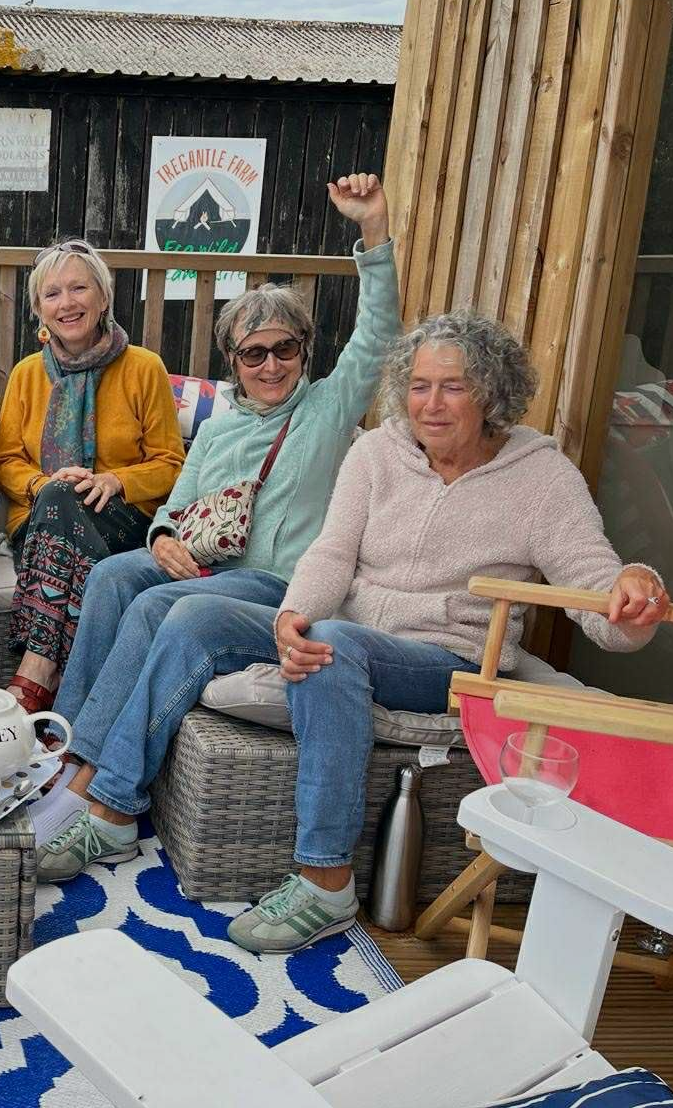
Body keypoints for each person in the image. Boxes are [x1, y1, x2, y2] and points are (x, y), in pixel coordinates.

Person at [32, 312, 671, 957]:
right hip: (352, 627)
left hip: (450, 659)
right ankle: (112, 811)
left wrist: (631, 597)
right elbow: (333, 553)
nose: (431, 404)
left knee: (331, 650)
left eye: (452, 387)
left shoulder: (540, 477)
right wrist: (291, 616)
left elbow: (597, 585)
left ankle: (325, 881)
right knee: (189, 614)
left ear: (492, 393)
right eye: (419, 386)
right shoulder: (377, 451)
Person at [29, 174, 399, 845]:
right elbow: (174, 503)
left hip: (276, 587)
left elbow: (377, 333)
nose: (270, 365)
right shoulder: (223, 425)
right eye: (253, 352)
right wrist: (165, 533)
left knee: (148, 605)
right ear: (233, 359)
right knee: (116, 575)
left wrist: (371, 228)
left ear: (304, 351)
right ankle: (67, 744)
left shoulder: (326, 408)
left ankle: (87, 780)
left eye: (285, 348)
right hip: (207, 572)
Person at [0, 239, 184, 712]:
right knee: (59, 495)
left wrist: (116, 480)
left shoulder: (144, 367)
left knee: (66, 497)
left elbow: (171, 464)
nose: (68, 303)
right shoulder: (25, 375)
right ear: (39, 309)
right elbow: (5, 461)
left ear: (103, 298)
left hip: (122, 523)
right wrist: (41, 485)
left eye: (79, 288)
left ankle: (35, 672)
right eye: (53, 294)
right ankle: (68, 686)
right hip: (41, 525)